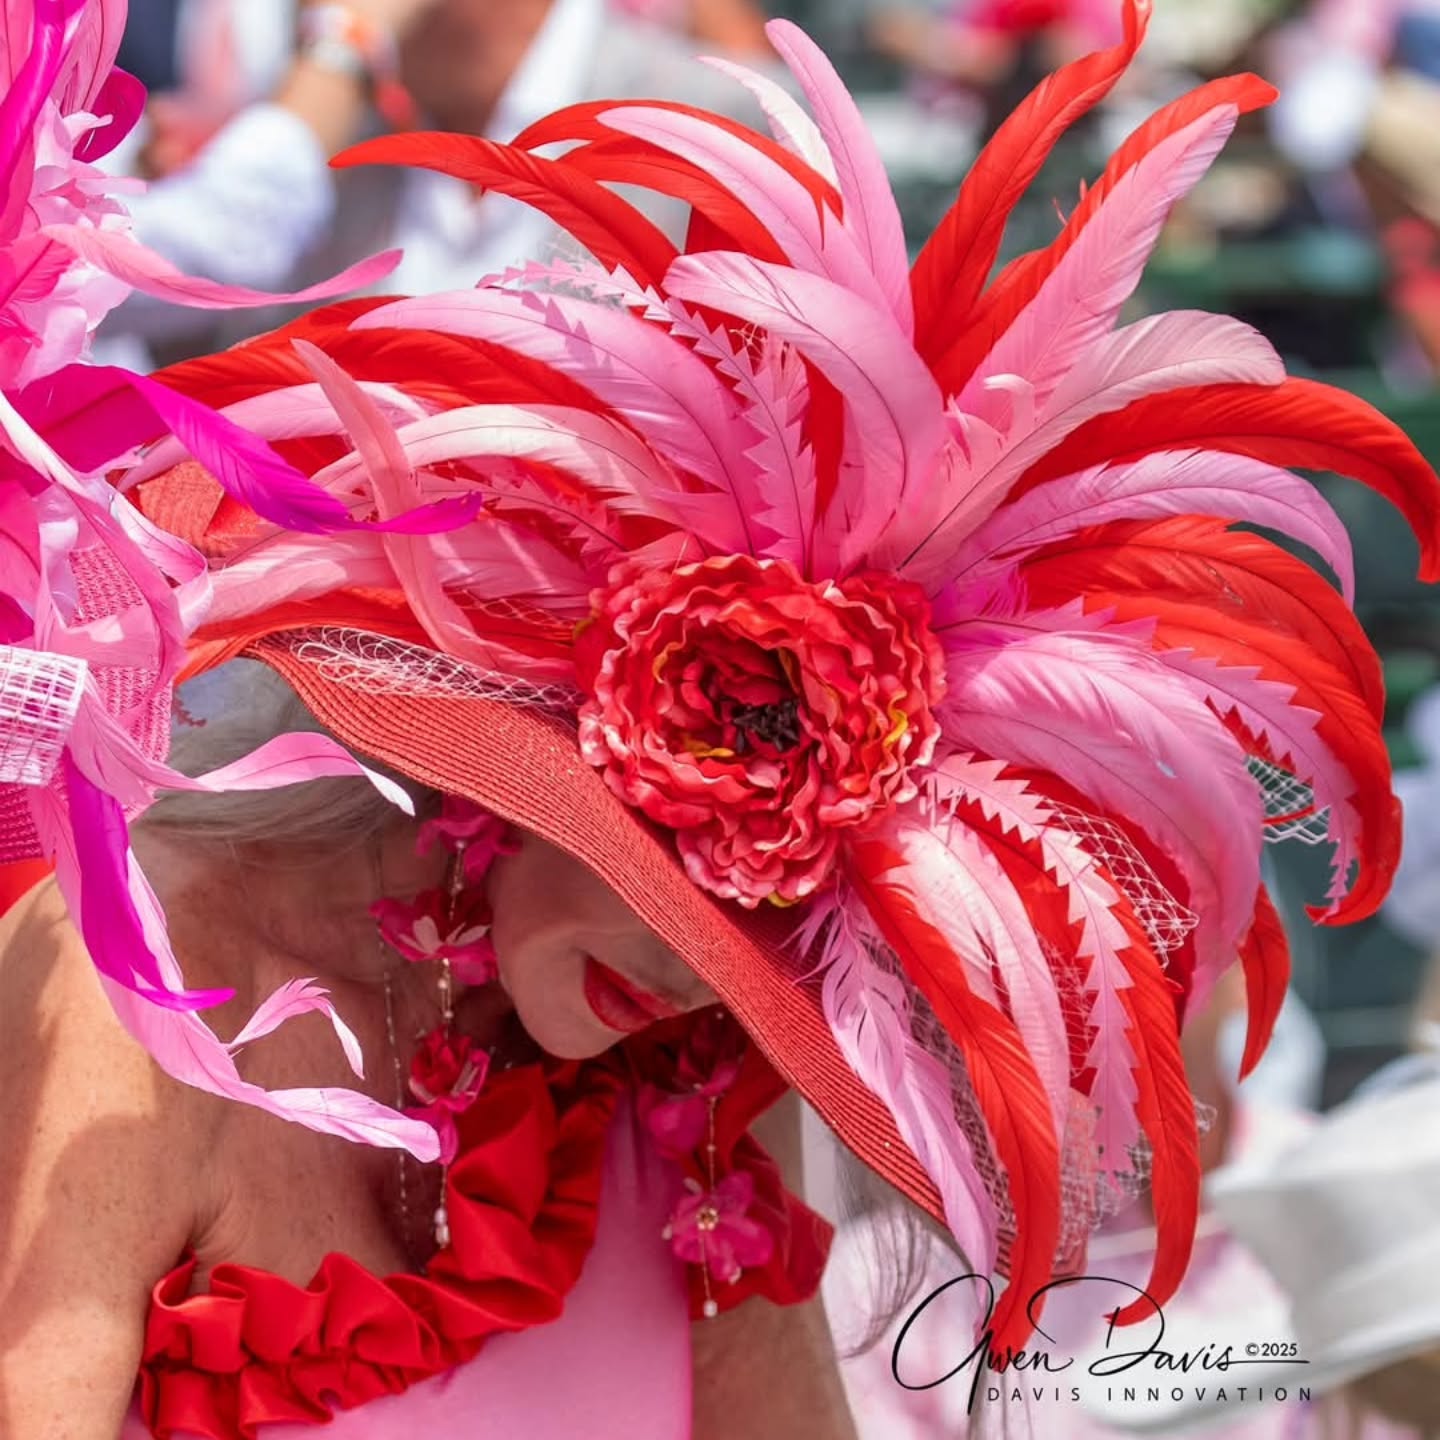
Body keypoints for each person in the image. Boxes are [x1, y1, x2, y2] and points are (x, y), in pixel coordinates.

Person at [5, 1, 1440, 1436]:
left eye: (814, 922)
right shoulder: (131, 981)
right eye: (701, 887)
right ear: (523, 742)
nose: (726, 982)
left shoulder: (692, 1084)